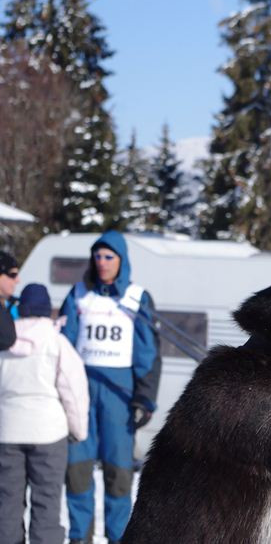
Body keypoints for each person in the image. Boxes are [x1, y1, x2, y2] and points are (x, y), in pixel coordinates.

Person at [60, 231, 161, 544]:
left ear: (121, 260)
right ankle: (81, 537)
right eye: (98, 256)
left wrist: (144, 397)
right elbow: (62, 345)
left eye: (109, 257)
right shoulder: (78, 294)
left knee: (118, 473)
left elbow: (148, 352)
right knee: (77, 468)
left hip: (119, 393)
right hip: (81, 391)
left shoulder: (136, 296)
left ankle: (118, 537)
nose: (102, 263)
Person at [0, 283, 89, 544]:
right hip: (48, 434)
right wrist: (78, 430)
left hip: (6, 433)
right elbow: (73, 391)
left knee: (7, 502)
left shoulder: (4, 340)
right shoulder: (56, 341)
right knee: (47, 503)